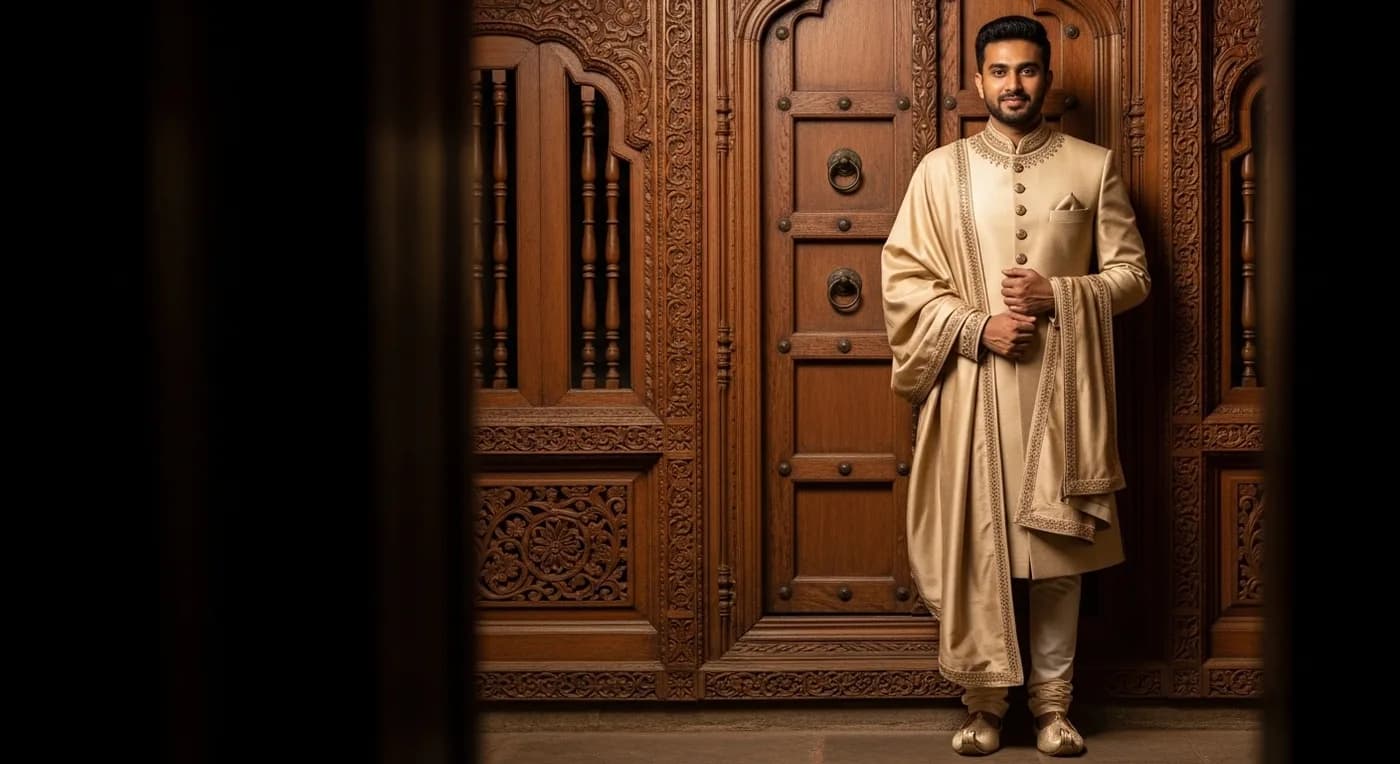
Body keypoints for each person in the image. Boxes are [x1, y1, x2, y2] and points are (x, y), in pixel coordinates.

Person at [880, 14, 1151, 757]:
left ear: (1047, 79)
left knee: (1055, 555)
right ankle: (985, 704)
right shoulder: (940, 172)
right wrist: (976, 328)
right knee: (981, 544)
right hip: (973, 390)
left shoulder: (1092, 167)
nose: (1013, 85)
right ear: (978, 80)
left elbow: (1132, 278)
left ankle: (1055, 709)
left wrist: (1059, 294)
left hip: (1064, 395)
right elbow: (904, 283)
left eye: (1027, 71)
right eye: (1000, 71)